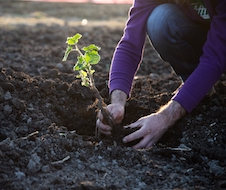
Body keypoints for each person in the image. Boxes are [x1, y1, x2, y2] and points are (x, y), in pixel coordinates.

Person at [96, 0, 226, 149]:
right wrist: (117, 102)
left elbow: (216, 58)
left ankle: (194, 91)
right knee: (160, 20)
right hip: (204, 36)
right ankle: (198, 89)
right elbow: (130, 44)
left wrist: (166, 116)